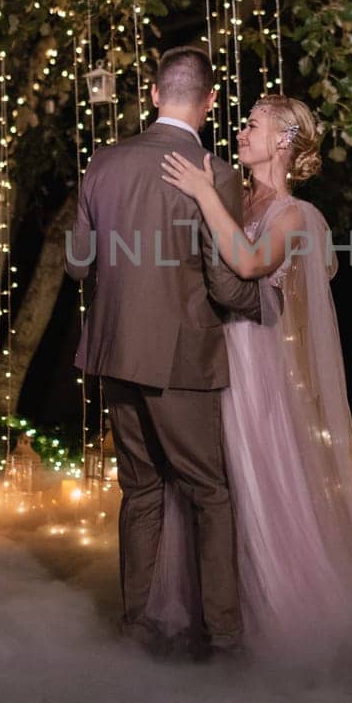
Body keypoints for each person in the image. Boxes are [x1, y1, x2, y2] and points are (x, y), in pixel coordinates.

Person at [147, 93, 352, 657]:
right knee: (204, 482)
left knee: (245, 477)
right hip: (208, 350)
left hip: (253, 363)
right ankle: (206, 606)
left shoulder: (296, 215)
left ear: (283, 140)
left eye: (253, 124)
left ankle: (265, 614)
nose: (241, 131)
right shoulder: (240, 199)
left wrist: (205, 193)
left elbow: (252, 266)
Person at [65, 46, 261, 659]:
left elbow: (76, 264)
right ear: (209, 102)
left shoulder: (102, 162)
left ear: (152, 95)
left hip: (114, 350)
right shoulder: (214, 170)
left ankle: (135, 628)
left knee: (141, 490)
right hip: (180, 356)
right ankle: (223, 636)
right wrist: (266, 302)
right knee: (209, 493)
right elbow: (224, 279)